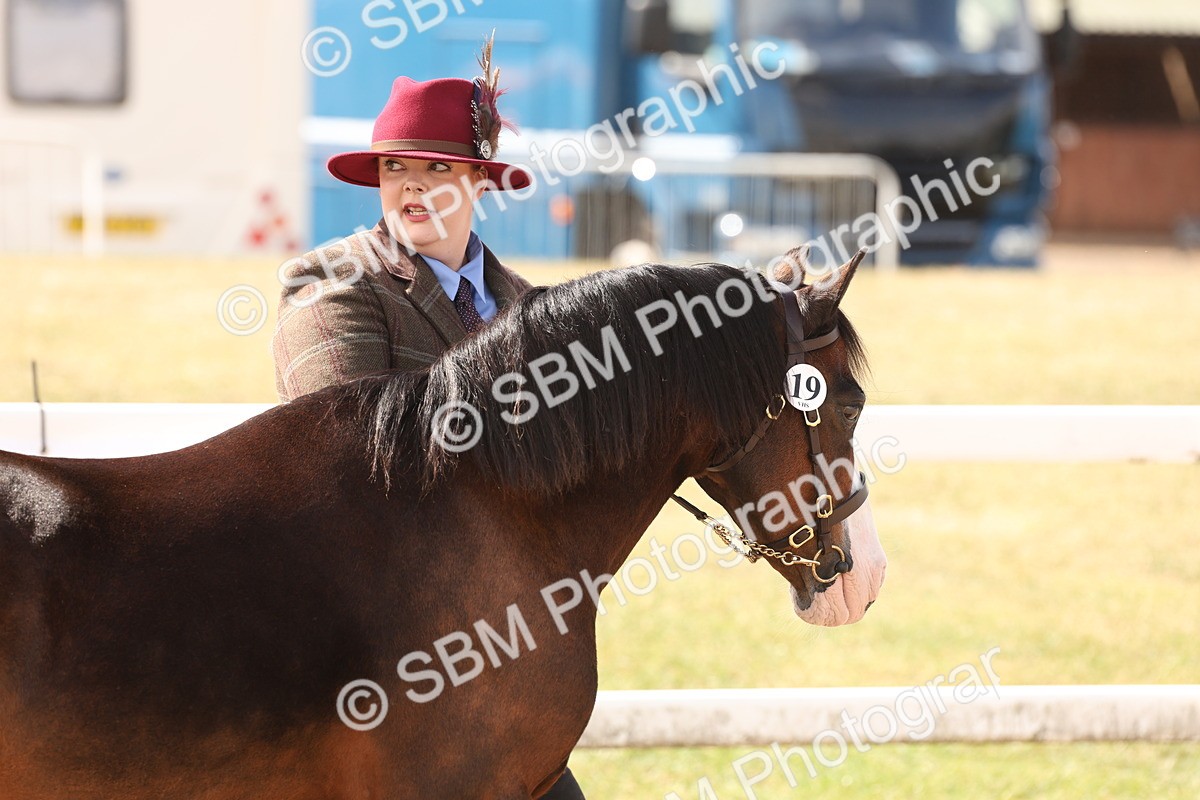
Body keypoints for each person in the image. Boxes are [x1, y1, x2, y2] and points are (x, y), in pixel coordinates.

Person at [270, 40, 587, 800]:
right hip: (365, 649)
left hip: (502, 656)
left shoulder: (529, 309)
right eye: (394, 168)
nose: (410, 187)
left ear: (478, 179)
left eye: (436, 168)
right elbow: (345, 451)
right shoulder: (328, 280)